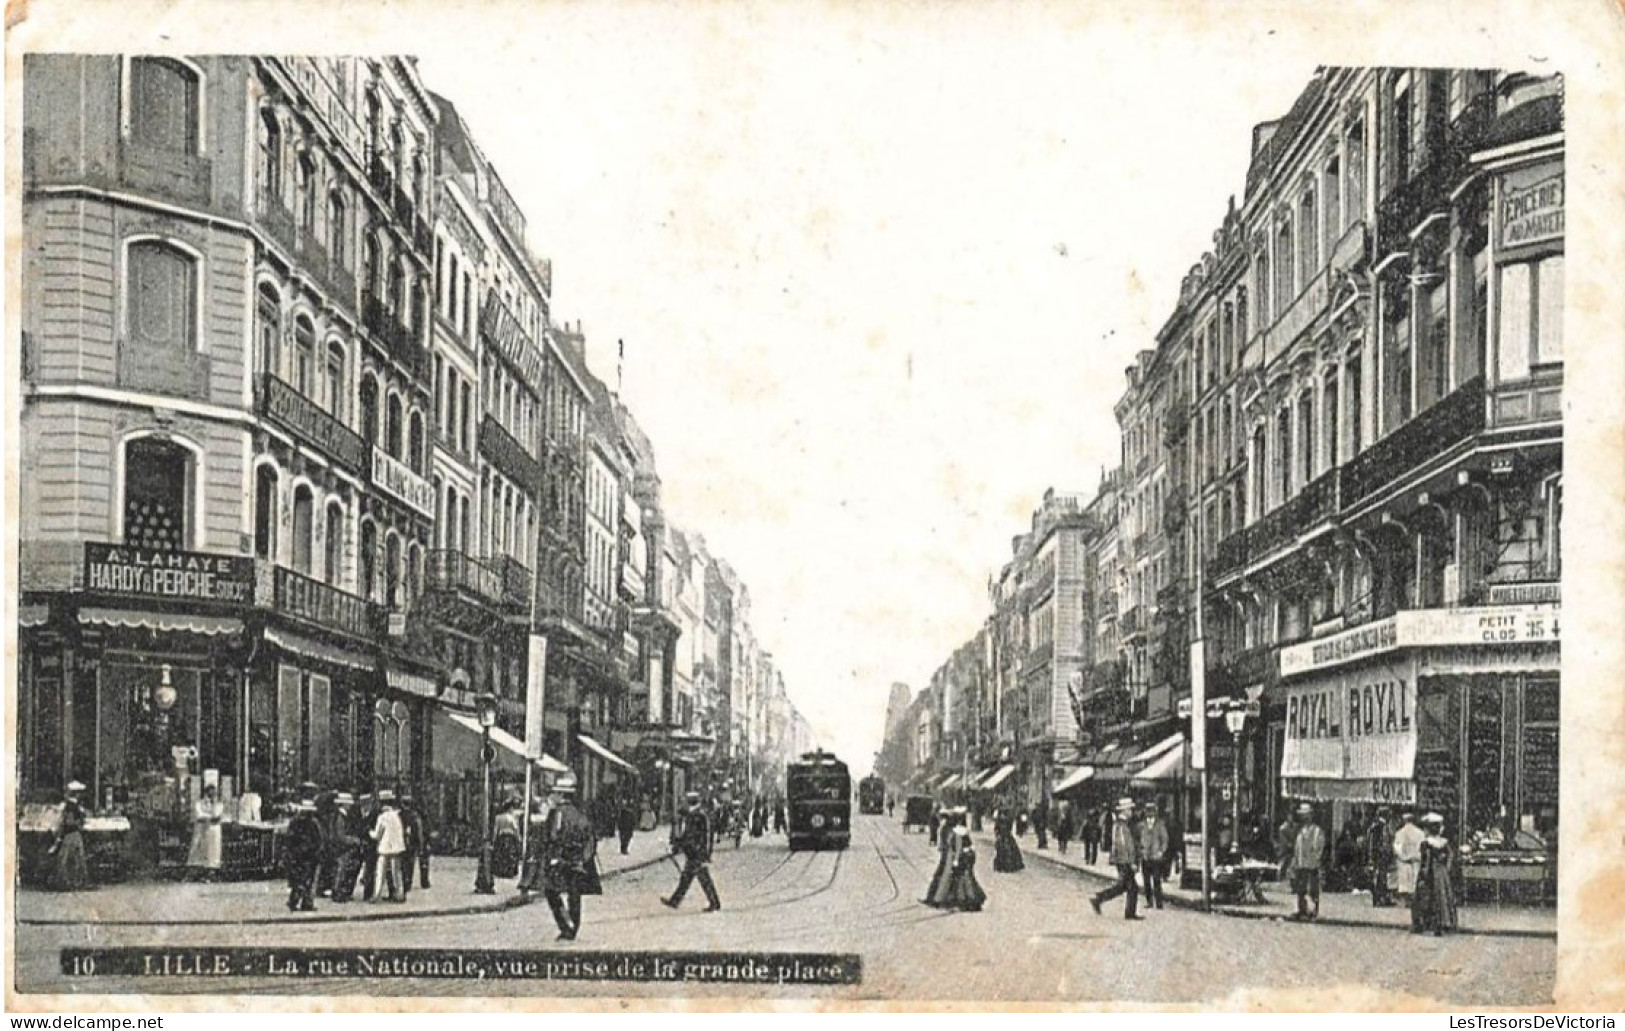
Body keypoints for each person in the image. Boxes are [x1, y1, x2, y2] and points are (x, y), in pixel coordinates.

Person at [540, 773, 601, 941]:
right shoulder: (579, 814)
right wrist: (583, 858)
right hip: (577, 860)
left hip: (560, 859)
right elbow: (590, 838)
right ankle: (574, 925)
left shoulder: (557, 813)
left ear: (560, 795)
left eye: (555, 793)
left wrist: (551, 855)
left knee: (551, 891)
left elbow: (553, 835)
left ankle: (566, 926)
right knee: (575, 894)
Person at [662, 790, 721, 912]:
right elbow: (687, 835)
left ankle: (713, 903)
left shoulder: (700, 815)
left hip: (697, 853)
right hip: (693, 852)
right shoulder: (692, 815)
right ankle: (676, 901)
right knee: (689, 878)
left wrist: (706, 853)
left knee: (698, 878)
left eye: (685, 801)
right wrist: (678, 844)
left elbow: (706, 836)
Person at [1089, 798, 1142, 920]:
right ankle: (1128, 912)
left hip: (1122, 860)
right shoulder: (1121, 825)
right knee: (1131, 887)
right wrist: (1131, 862)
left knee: (1124, 886)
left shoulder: (1121, 824)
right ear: (1124, 811)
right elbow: (1124, 845)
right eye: (1129, 809)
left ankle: (1099, 899)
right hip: (1124, 860)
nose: (1131, 812)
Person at [1411, 813, 1458, 936]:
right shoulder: (1444, 842)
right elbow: (1450, 857)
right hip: (1441, 873)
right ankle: (1444, 923)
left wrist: (1423, 874)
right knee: (1443, 898)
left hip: (1430, 873)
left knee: (1427, 897)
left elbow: (1425, 860)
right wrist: (1446, 868)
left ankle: (1425, 924)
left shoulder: (1426, 843)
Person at [284, 788, 326, 912]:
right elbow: (319, 839)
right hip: (309, 855)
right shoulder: (313, 823)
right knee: (308, 880)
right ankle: (306, 902)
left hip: (297, 855)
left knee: (298, 880)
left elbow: (289, 839)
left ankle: (294, 901)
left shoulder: (294, 823)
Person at [49, 781, 91, 892]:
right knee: (77, 857)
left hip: (68, 834)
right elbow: (72, 821)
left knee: (67, 858)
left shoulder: (69, 806)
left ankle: (66, 881)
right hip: (73, 834)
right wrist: (79, 822)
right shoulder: (73, 806)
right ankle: (77, 882)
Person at [1288, 802, 1326, 921]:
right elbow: (1297, 848)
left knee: (1312, 888)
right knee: (1301, 888)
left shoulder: (1316, 831)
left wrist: (1315, 859)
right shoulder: (1300, 831)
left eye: (1306, 815)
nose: (1304, 818)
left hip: (1311, 865)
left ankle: (1313, 911)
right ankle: (1302, 910)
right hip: (1301, 864)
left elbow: (1318, 847)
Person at [369, 790, 407, 902]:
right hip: (397, 848)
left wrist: (369, 832)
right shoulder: (396, 816)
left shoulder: (382, 817)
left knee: (380, 872)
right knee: (396, 872)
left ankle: (377, 894)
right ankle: (399, 893)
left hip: (384, 848)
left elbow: (377, 835)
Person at [942, 820, 988, 912]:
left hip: (963, 857)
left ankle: (963, 900)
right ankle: (972, 900)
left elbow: (958, 848)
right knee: (968, 877)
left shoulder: (957, 833)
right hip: (969, 856)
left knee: (960, 879)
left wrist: (955, 860)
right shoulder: (965, 833)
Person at [328, 792, 366, 903]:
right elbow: (341, 835)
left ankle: (339, 892)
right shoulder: (340, 817)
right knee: (342, 870)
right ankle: (338, 893)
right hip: (342, 848)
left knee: (342, 870)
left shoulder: (340, 816)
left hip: (341, 847)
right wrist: (354, 840)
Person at [186, 783, 226, 881]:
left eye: (214, 793)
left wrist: (209, 815)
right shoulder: (199, 803)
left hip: (214, 830)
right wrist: (210, 817)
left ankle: (211, 873)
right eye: (209, 793)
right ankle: (194, 873)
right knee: (198, 850)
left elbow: (217, 816)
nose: (212, 795)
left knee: (213, 852)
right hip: (201, 830)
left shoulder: (219, 804)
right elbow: (199, 816)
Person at [922, 806, 958, 906]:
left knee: (942, 876)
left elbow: (948, 842)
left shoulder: (949, 828)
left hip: (947, 856)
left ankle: (935, 898)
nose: (941, 819)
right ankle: (934, 897)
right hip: (946, 855)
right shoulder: (947, 827)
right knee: (942, 876)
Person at [1138, 800, 1170, 909]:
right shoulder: (1142, 826)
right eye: (1148, 812)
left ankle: (1159, 902)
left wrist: (1161, 851)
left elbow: (1165, 840)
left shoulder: (1160, 825)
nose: (1150, 814)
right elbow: (1138, 840)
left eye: (1152, 812)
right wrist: (1141, 851)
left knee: (1156, 880)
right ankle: (1149, 901)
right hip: (1145, 857)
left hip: (1156, 857)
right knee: (1146, 881)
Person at [401, 789, 431, 891]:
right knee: (422, 862)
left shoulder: (401, 814)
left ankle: (407, 882)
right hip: (417, 840)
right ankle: (424, 881)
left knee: (408, 863)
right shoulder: (416, 815)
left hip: (408, 841)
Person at [1366, 807, 1396, 907]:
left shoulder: (1380, 826)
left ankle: (1380, 898)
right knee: (1379, 877)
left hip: (1380, 855)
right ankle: (1379, 898)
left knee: (1381, 877)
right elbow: (1374, 843)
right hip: (1379, 855)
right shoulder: (1378, 827)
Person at [1392, 811, 1425, 903]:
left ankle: (1405, 900)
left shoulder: (1399, 833)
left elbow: (1397, 847)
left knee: (1405, 881)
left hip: (1404, 861)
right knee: (1415, 880)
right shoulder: (1420, 833)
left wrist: (1402, 856)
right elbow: (1422, 847)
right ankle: (1414, 900)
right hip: (1416, 860)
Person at [992, 805, 1025, 873]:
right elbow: (1008, 828)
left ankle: (1002, 866)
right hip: (1006, 836)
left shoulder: (1000, 819)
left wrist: (997, 835)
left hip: (1003, 836)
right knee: (1008, 851)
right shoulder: (1008, 819)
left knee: (1002, 851)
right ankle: (1008, 866)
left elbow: (996, 828)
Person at [616, 790, 640, 855]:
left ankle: (624, 848)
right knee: (625, 836)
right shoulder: (626, 808)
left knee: (625, 836)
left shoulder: (628, 807)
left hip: (627, 823)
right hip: (626, 823)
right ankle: (624, 848)